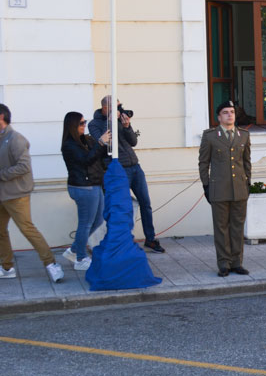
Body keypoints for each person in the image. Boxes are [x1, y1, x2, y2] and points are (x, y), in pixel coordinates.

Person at [88, 95, 165, 253]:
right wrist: (110, 122)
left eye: (120, 105)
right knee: (120, 207)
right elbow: (103, 144)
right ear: (105, 108)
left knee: (145, 203)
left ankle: (150, 239)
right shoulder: (94, 124)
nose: (120, 109)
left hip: (135, 166)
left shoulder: (120, 119)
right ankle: (120, 241)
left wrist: (128, 126)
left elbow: (133, 141)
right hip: (117, 169)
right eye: (116, 107)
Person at [0, 104, 65, 282]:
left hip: (16, 195)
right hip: (2, 194)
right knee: (0, 231)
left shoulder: (16, 139)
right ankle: (7, 268)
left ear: (1, 117)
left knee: (27, 229)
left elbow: (23, 166)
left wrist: (1, 175)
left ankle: (51, 264)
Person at [198, 100, 252, 277]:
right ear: (219, 116)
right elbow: (203, 163)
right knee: (221, 228)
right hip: (218, 189)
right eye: (226, 112)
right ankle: (224, 263)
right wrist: (206, 185)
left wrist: (247, 184)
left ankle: (237, 262)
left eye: (232, 112)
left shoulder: (243, 135)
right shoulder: (210, 136)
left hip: (239, 189)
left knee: (237, 227)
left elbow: (246, 163)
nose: (230, 115)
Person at [61, 111, 111, 270]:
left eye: (84, 122)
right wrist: (100, 143)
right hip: (82, 187)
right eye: (81, 123)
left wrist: (105, 140)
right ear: (72, 126)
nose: (84, 125)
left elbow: (99, 155)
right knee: (86, 223)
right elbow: (86, 160)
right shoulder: (69, 145)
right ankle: (80, 258)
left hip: (95, 184)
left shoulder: (86, 139)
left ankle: (74, 250)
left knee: (97, 220)